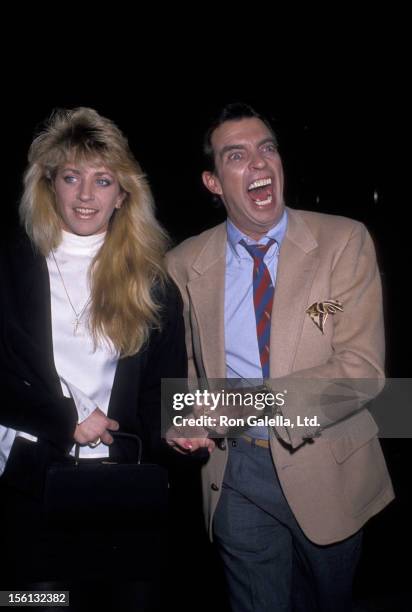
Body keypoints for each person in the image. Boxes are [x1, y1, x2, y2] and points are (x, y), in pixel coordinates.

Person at [166, 103, 394, 612]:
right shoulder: (182, 264)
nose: (260, 164)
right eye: (238, 156)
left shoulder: (344, 241)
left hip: (327, 462)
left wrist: (239, 407)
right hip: (234, 474)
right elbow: (183, 373)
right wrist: (180, 421)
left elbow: (361, 371)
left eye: (267, 149)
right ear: (213, 182)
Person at [0, 107, 187, 609]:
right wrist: (69, 417)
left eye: (103, 181)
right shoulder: (11, 265)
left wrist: (176, 429)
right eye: (71, 177)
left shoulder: (154, 283)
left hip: (125, 494)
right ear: (48, 184)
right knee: (32, 603)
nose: (86, 195)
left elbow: (160, 397)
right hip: (31, 489)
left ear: (123, 194)